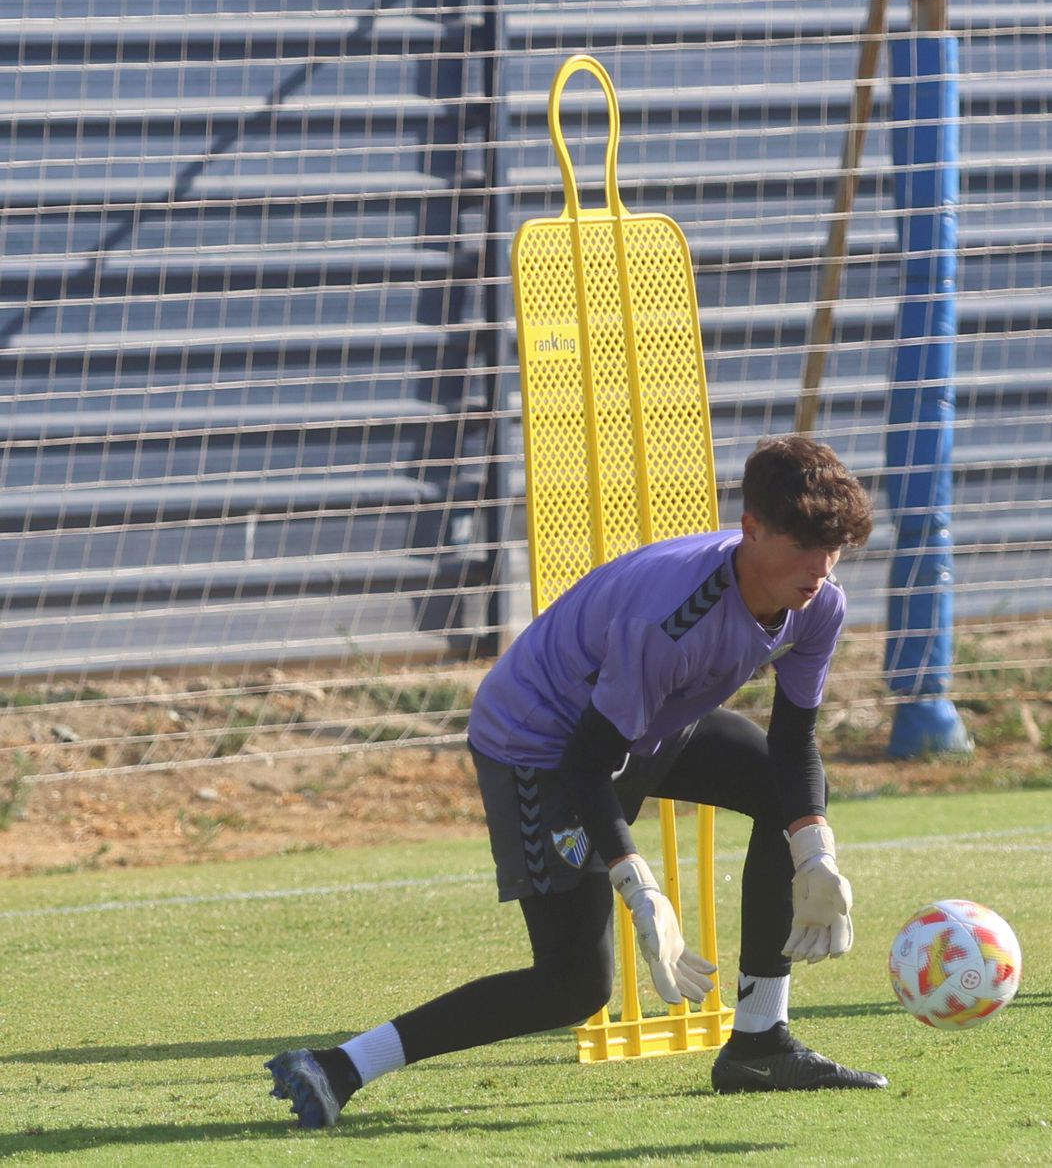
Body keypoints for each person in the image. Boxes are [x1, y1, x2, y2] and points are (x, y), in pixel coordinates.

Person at [267, 434, 886, 1128]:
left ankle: (759, 1043)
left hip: (637, 724)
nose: (820, 567)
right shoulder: (669, 617)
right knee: (573, 986)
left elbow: (793, 741)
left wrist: (816, 856)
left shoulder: (819, 602)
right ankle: (339, 1065)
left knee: (784, 795)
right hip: (538, 745)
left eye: (834, 547)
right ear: (752, 530)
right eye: (803, 544)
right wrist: (640, 887)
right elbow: (587, 761)